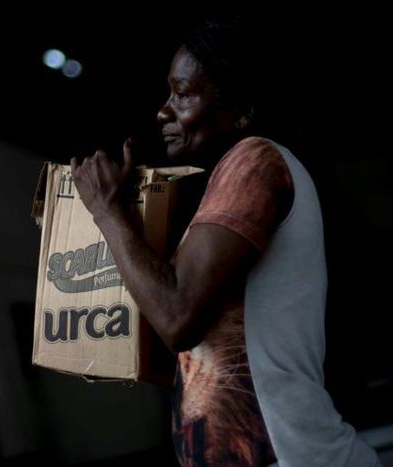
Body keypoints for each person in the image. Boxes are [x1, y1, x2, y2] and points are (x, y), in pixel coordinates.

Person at [71, 18, 382, 467]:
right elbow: (188, 350)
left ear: (240, 109)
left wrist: (106, 211)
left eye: (182, 94)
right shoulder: (226, 182)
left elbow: (178, 318)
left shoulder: (254, 161)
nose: (163, 111)